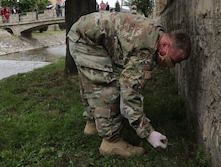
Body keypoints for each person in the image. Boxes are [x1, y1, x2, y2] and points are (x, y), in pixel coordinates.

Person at [67, 12, 191, 157]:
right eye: (174, 60)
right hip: (86, 40)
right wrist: (148, 133)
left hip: (84, 32)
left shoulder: (156, 32)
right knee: (107, 87)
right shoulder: (145, 50)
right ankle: (111, 142)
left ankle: (92, 123)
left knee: (92, 80)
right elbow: (130, 93)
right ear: (166, 45)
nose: (172, 65)